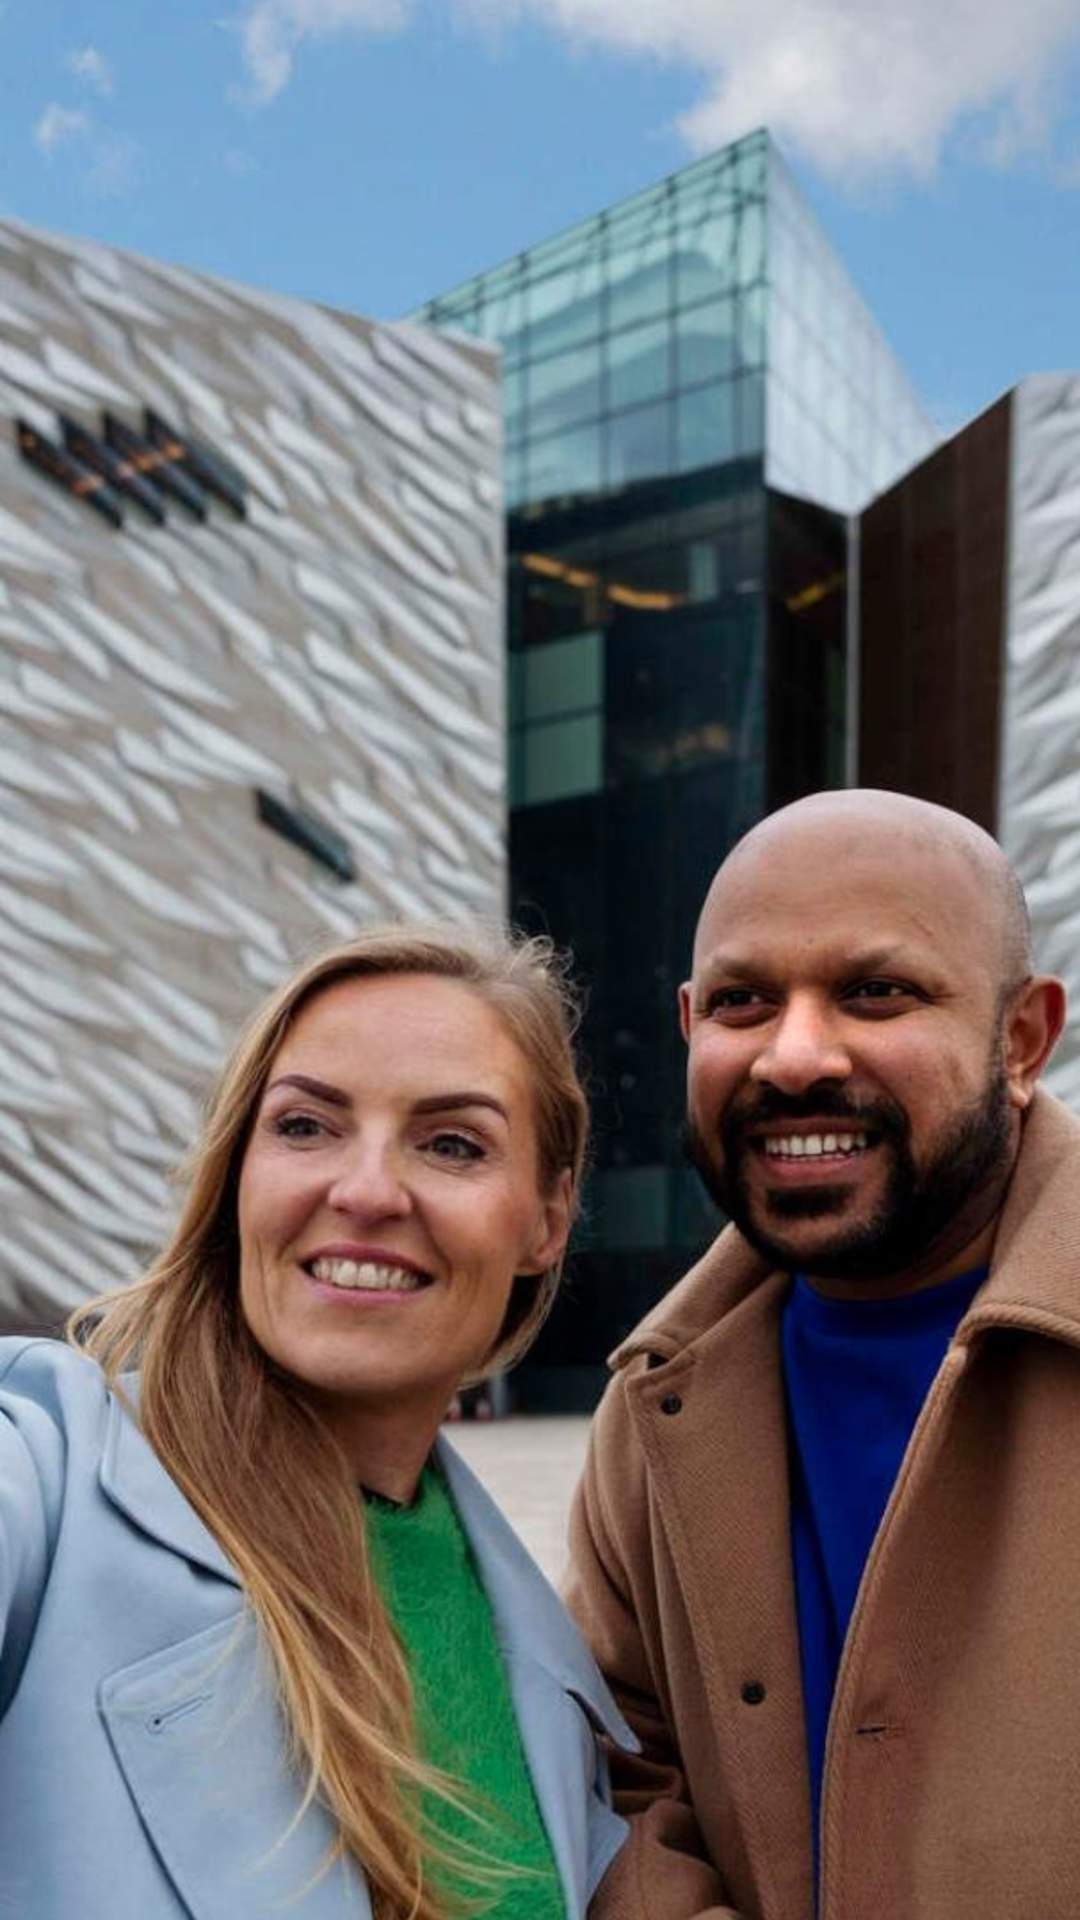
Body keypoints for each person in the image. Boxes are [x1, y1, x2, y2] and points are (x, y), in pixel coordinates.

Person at [0, 923, 634, 1920]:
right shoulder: (41, 1467)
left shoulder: (547, 1664)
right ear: (238, 1170)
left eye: (452, 1144)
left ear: (545, 1221)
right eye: (305, 1127)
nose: (368, 1191)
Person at [571, 789, 1080, 1920]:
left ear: (1021, 1039)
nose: (793, 1058)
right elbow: (621, 1774)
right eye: (745, 1002)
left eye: (876, 991)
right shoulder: (650, 1411)